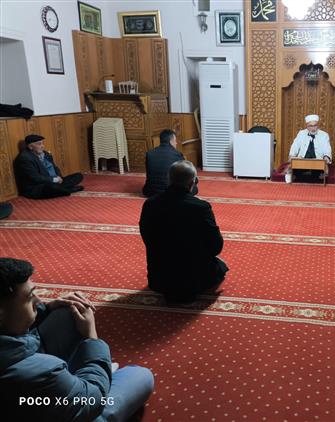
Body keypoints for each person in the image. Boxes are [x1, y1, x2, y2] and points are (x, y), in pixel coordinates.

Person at [0, 257, 154, 421]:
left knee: (67, 313)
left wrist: (48, 308)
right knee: (141, 376)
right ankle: (84, 378)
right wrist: (91, 337)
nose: (38, 301)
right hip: (76, 406)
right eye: (30, 296)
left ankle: (75, 380)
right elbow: (92, 400)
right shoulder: (38, 372)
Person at [139, 160, 228, 302]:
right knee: (220, 265)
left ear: (168, 180)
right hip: (193, 280)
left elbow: (147, 237)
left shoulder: (150, 204)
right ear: (193, 182)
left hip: (160, 279)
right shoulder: (201, 208)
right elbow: (216, 246)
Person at [13, 134, 83, 199]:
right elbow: (36, 178)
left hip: (53, 181)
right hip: (38, 187)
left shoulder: (45, 153)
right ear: (30, 147)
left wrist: (59, 177)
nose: (42, 146)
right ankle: (68, 190)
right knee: (51, 187)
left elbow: (55, 167)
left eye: (42, 143)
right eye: (39, 144)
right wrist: (54, 180)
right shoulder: (25, 158)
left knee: (78, 176)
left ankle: (62, 189)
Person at [143, 129, 194, 197]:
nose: (176, 143)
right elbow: (184, 174)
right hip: (171, 192)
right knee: (193, 186)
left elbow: (149, 174)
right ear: (171, 141)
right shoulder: (177, 154)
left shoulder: (149, 154)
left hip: (150, 191)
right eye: (175, 141)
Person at [288, 114, 332, 182]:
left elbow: (327, 148)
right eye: (310, 126)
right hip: (303, 160)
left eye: (315, 125)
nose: (313, 128)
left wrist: (326, 156)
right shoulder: (301, 133)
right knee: (297, 173)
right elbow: (295, 145)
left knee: (318, 176)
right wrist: (292, 155)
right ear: (307, 126)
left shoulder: (324, 135)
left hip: (317, 161)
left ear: (317, 126)